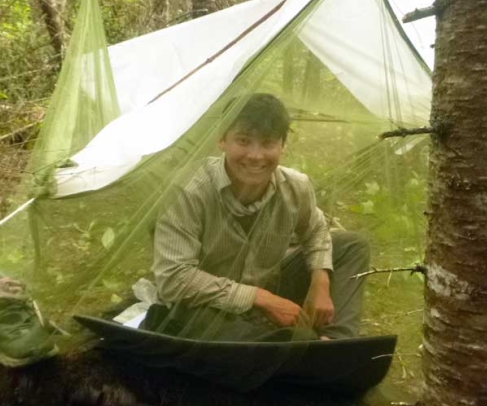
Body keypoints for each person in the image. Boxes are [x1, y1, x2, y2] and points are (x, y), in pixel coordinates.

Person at [149, 93, 369, 342]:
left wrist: (321, 281)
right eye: (243, 141)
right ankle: (290, 344)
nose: (255, 155)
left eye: (267, 143)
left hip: (270, 283)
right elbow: (173, 279)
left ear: (282, 146)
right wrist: (261, 298)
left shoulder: (296, 187)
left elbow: (316, 230)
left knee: (351, 246)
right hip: (207, 305)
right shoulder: (188, 191)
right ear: (222, 140)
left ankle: (335, 343)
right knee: (206, 328)